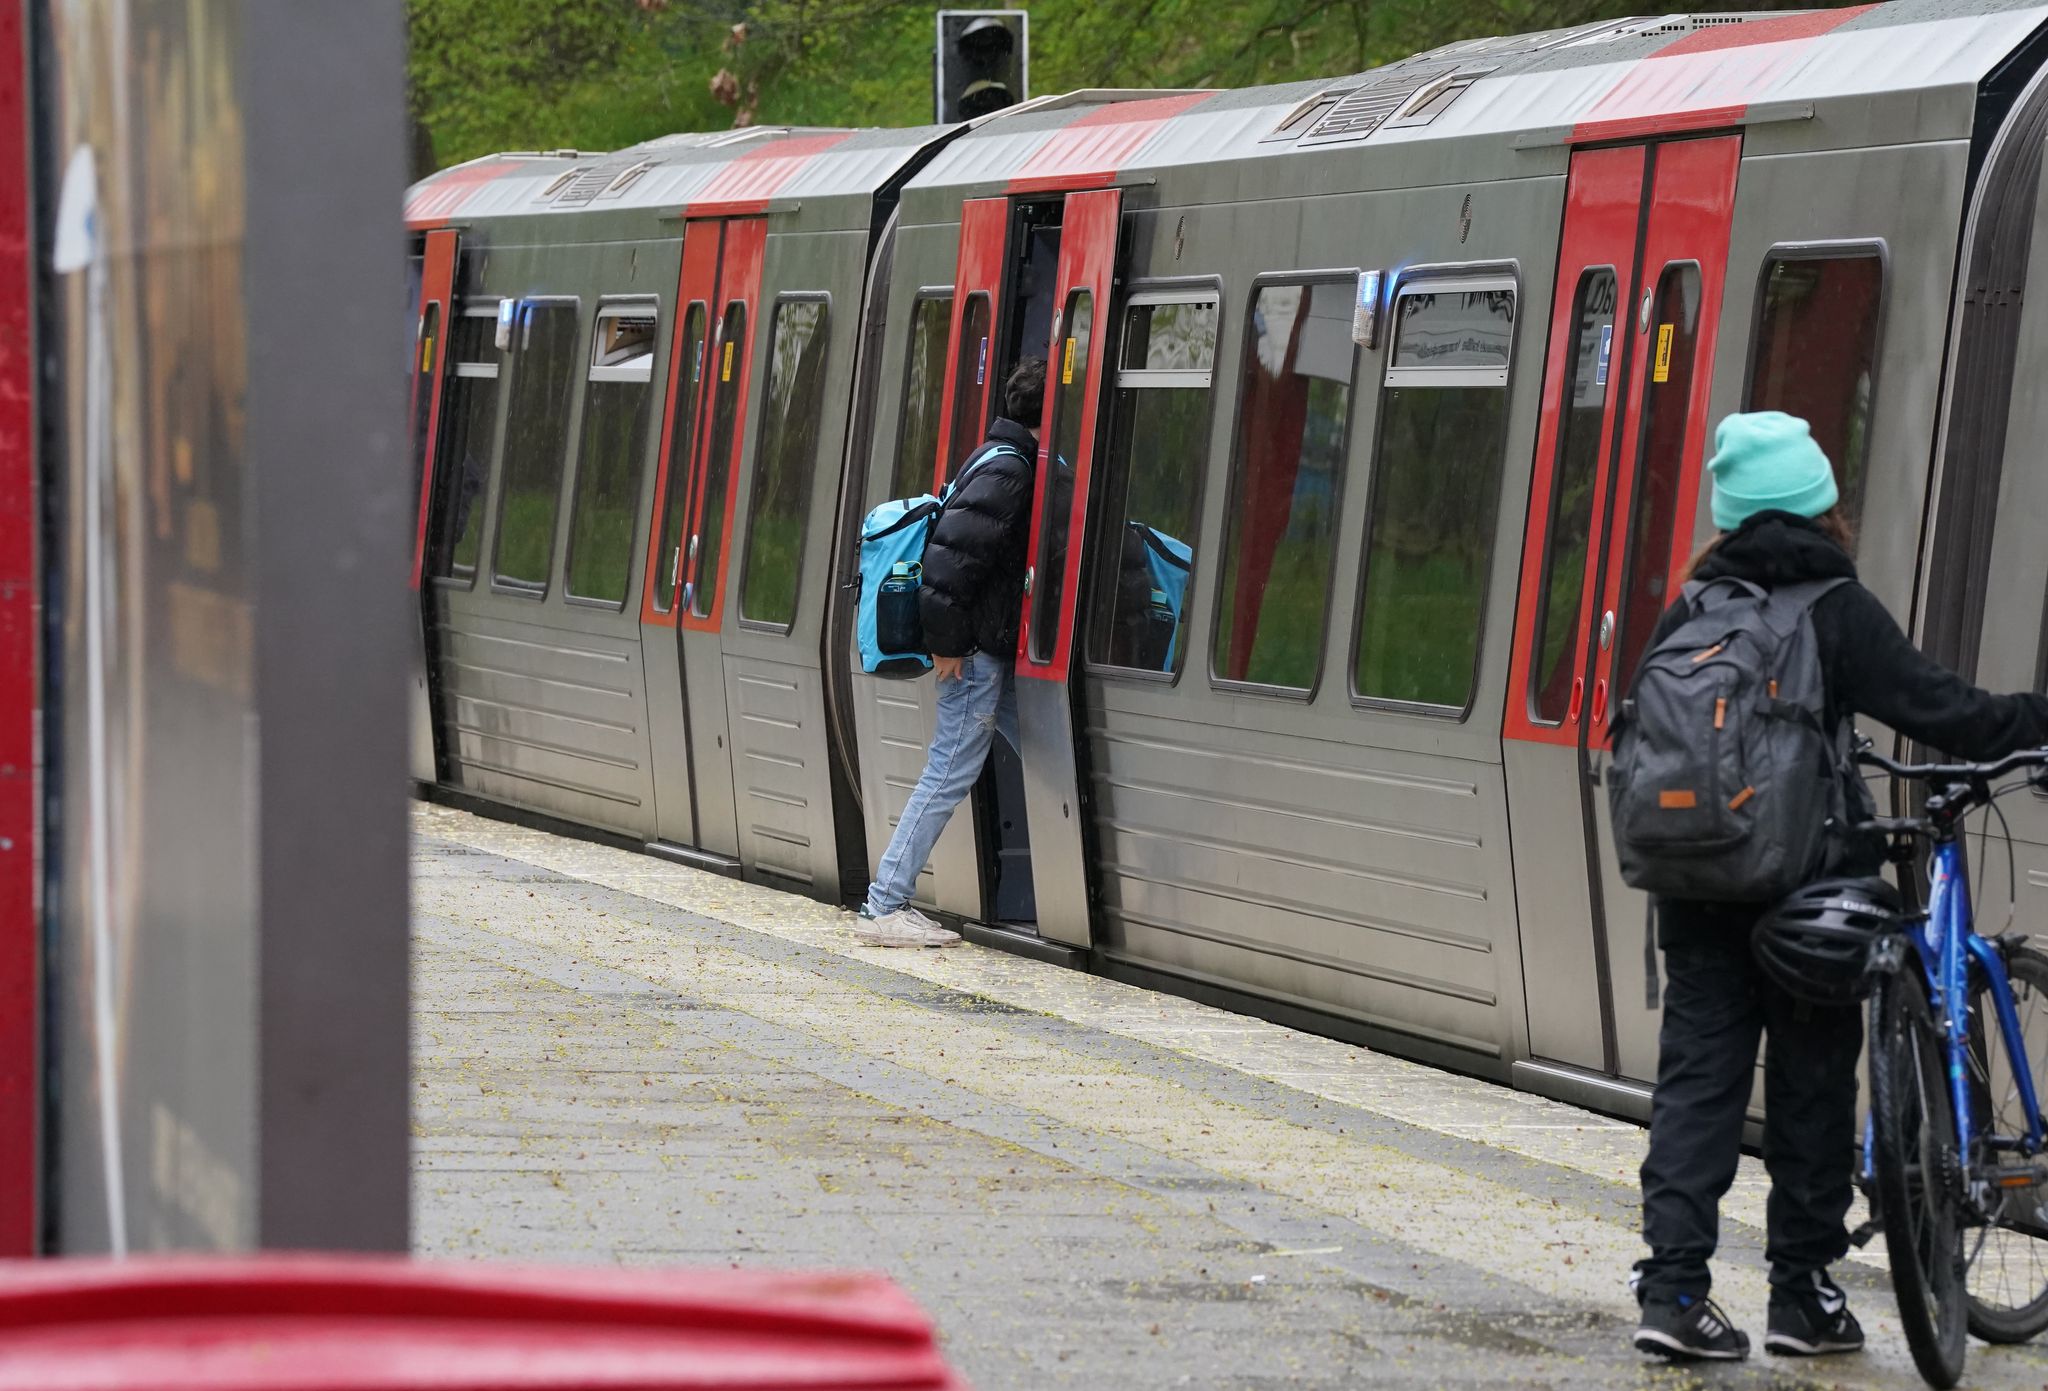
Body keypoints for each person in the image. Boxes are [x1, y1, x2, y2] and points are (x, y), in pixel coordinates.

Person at [1631, 411, 2048, 1361]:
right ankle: (1802, 1296)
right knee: (1813, 1083)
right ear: (1823, 506)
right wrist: (2038, 720)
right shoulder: (1832, 606)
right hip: (1806, 888)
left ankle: (1673, 1293)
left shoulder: (1691, 607)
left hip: (1694, 881)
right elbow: (1948, 711)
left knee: (1698, 1081)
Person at [855, 358, 1045, 947]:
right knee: (949, 771)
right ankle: (885, 903)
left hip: (983, 649)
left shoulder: (994, 456)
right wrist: (949, 646)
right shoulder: (1010, 471)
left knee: (1050, 746)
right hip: (973, 654)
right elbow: (945, 565)